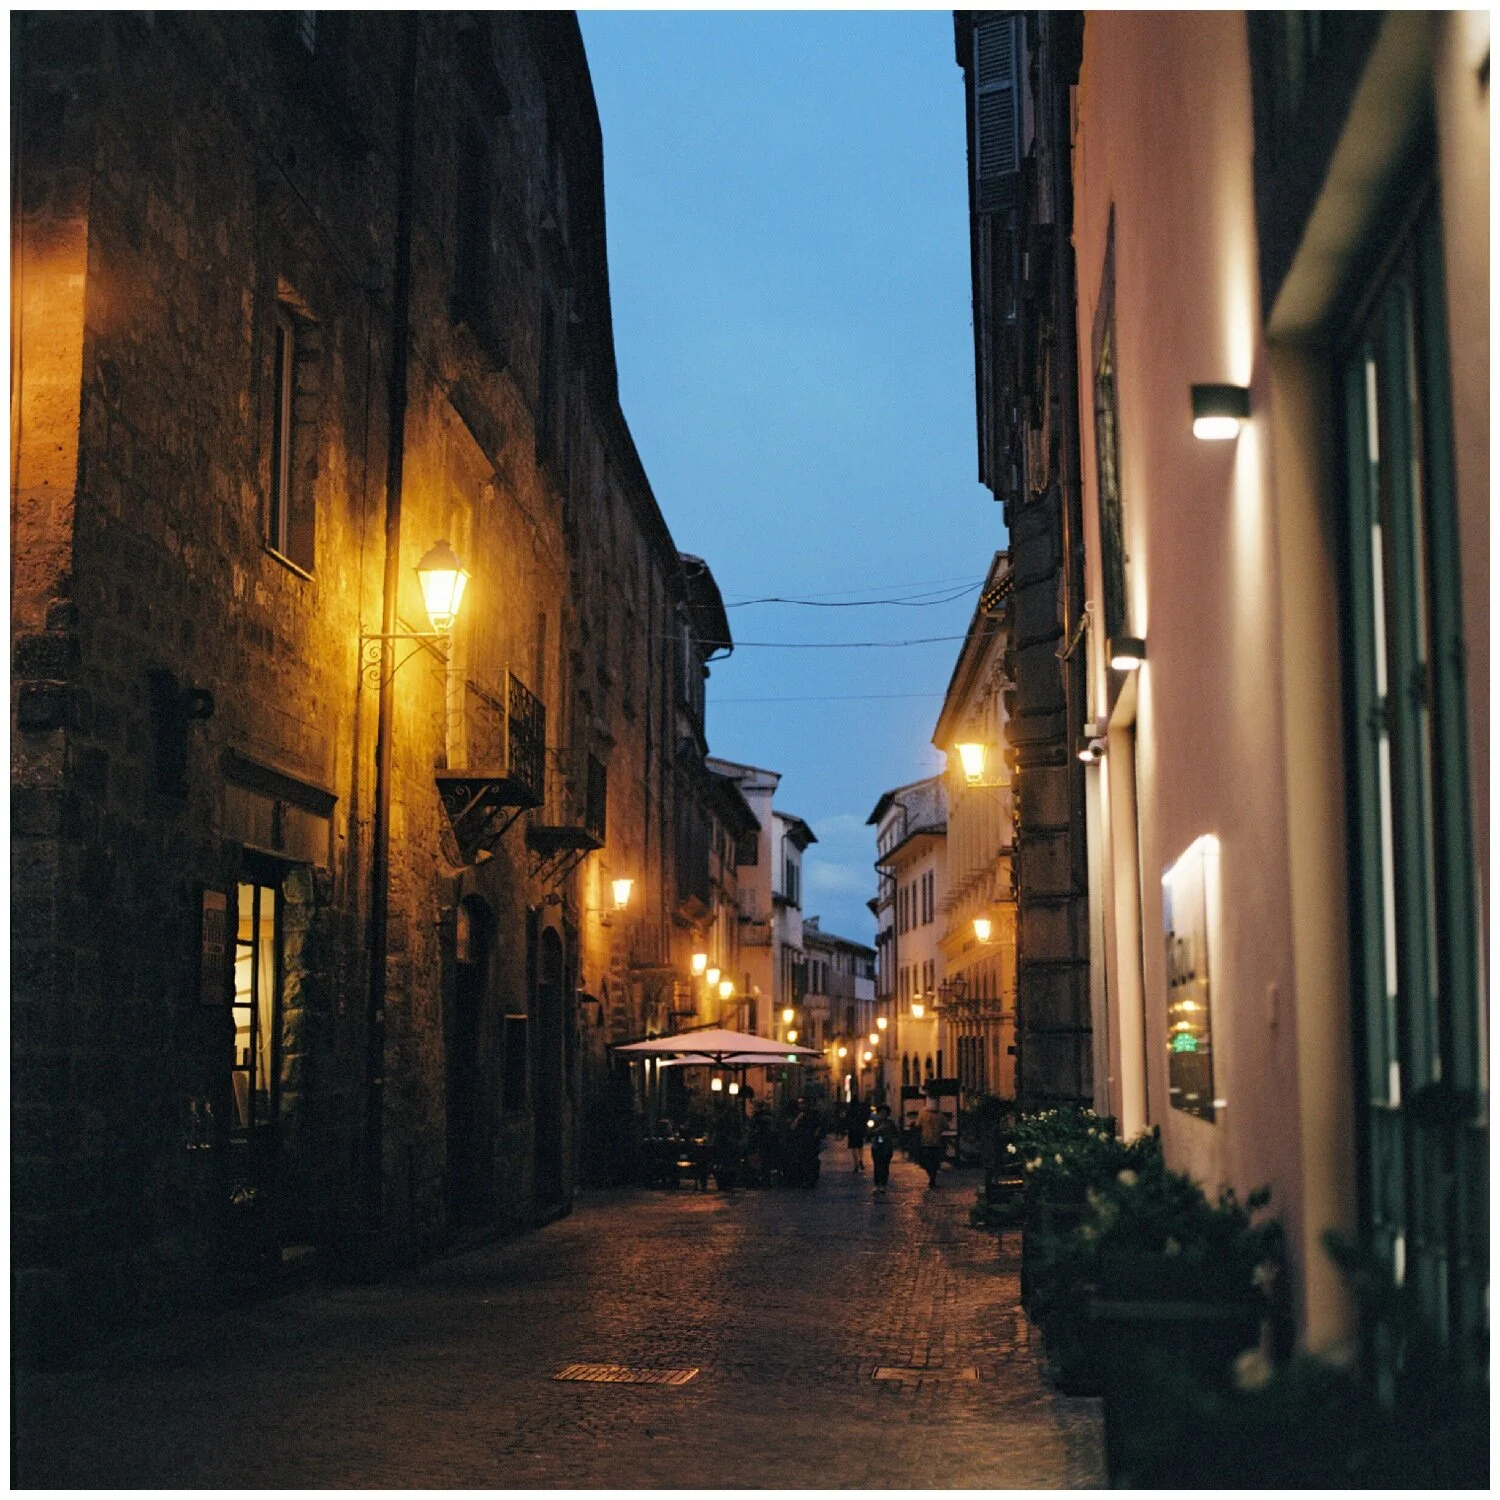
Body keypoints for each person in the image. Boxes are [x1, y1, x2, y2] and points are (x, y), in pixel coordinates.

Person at [869, 1103, 898, 1196]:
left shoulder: (890, 1123)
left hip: (887, 1146)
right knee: (877, 1166)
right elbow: (869, 1133)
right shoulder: (874, 1122)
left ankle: (883, 1185)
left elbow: (895, 1134)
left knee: (885, 1166)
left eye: (884, 1113)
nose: (882, 1114)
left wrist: (892, 1142)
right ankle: (877, 1184)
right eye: (881, 1112)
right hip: (876, 1146)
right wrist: (877, 1130)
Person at [917, 1093, 945, 1188]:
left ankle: (931, 1176)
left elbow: (917, 1125)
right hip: (937, 1142)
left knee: (926, 1161)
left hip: (925, 1141)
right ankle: (933, 1177)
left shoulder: (922, 1113)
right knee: (935, 1161)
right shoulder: (940, 1114)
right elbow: (946, 1126)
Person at [845, 1098, 868, 1173]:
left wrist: (847, 1129)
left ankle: (856, 1163)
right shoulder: (860, 1111)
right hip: (859, 1131)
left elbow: (847, 1120)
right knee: (860, 1147)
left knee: (853, 1147)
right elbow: (864, 1120)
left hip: (852, 1131)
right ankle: (861, 1159)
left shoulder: (849, 1111)